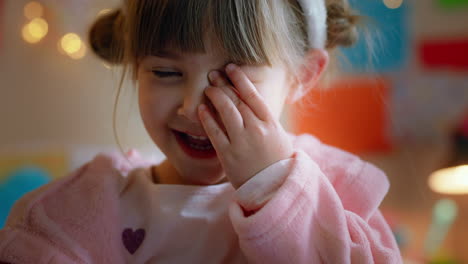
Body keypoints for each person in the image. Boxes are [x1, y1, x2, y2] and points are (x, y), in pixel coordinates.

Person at [0, 0, 402, 263]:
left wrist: (275, 188)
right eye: (165, 72)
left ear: (301, 76)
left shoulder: (337, 194)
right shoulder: (83, 209)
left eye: (230, 78)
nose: (193, 107)